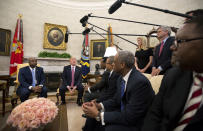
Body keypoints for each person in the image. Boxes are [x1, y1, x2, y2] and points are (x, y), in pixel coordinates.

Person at [142, 14, 203, 131]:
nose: (172, 47)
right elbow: (154, 114)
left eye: (180, 41)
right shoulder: (172, 76)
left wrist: (160, 67)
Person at [82, 51, 155, 131]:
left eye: (114, 62)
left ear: (122, 65)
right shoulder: (121, 78)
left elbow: (130, 116)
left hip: (137, 122)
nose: (112, 64)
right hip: (124, 113)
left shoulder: (140, 83)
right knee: (92, 118)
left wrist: (99, 115)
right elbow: (116, 100)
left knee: (106, 127)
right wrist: (98, 105)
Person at [82, 56, 120, 131]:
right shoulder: (111, 73)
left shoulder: (115, 74)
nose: (105, 65)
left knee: (88, 97)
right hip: (106, 96)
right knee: (92, 115)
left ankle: (89, 113)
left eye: (106, 63)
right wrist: (98, 103)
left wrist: (99, 101)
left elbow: (109, 93)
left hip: (107, 98)